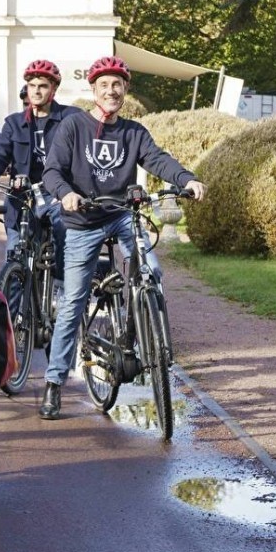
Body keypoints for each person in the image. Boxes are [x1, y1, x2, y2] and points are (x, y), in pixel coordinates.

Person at [37, 56, 206, 420]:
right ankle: (54, 383)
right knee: (73, 303)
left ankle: (139, 327)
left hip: (122, 216)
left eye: (117, 85)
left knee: (151, 273)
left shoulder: (134, 131)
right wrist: (66, 193)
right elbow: (52, 170)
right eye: (104, 85)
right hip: (82, 220)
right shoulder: (72, 126)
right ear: (93, 90)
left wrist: (186, 179)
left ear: (125, 90)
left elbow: (158, 159)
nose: (111, 91)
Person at [0, 60, 81, 280]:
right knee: (14, 257)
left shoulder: (71, 118)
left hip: (56, 194)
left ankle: (63, 286)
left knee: (64, 227)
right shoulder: (14, 123)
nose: (36, 90)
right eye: (32, 85)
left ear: (53, 89)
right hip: (22, 195)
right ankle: (14, 310)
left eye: (43, 85)